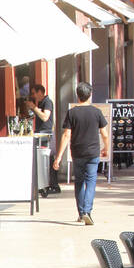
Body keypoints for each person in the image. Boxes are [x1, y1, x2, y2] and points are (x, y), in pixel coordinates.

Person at [54, 82, 108, 226]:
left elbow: (66, 135)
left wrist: (58, 157)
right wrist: (106, 149)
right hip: (93, 152)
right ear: (90, 95)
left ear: (77, 95)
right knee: (91, 182)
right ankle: (87, 212)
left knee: (79, 182)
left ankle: (81, 213)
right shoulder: (97, 112)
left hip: (77, 152)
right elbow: (105, 134)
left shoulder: (72, 112)